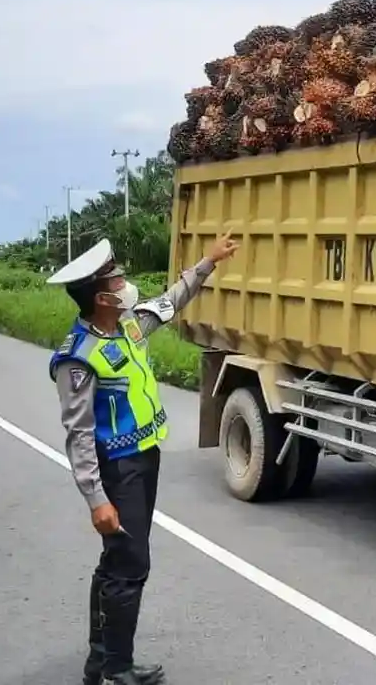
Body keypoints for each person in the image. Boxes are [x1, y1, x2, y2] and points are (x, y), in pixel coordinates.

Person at [47, 232, 239, 685]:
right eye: (116, 281)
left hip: (144, 460)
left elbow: (172, 301)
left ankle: (102, 662)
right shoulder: (78, 360)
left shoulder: (130, 325)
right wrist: (96, 499)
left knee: (117, 563)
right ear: (101, 298)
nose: (124, 284)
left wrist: (208, 262)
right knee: (130, 565)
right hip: (118, 470)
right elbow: (78, 436)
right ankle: (116, 669)